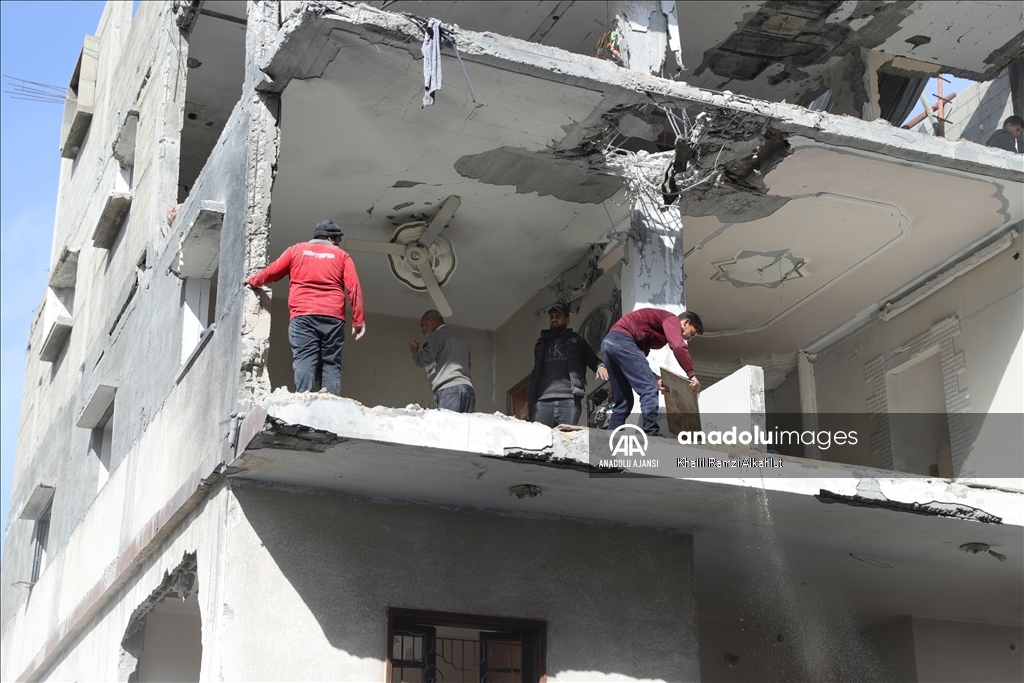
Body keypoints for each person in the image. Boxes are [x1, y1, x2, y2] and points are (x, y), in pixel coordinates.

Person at [245, 220, 365, 395]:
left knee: (304, 358)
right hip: (333, 316)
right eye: (338, 241)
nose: (338, 245)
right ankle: (332, 402)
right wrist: (359, 320)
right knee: (331, 361)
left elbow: (273, 271)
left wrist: (253, 281)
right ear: (330, 238)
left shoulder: (296, 250)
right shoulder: (342, 256)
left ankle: (304, 399)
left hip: (302, 315)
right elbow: (354, 287)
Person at [600, 308, 703, 437]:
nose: (689, 338)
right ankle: (651, 433)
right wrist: (691, 374)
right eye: (692, 333)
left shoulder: (649, 334)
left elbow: (639, 363)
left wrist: (655, 378)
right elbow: (678, 346)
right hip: (622, 341)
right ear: (685, 322)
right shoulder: (672, 319)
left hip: (609, 344)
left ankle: (610, 438)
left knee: (624, 401)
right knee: (649, 389)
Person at [524, 303, 609, 427]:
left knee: (566, 439)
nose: (554, 320)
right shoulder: (541, 344)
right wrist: (526, 403)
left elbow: (592, 359)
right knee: (540, 439)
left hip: (569, 400)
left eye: (558, 316)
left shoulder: (577, 341)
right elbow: (535, 374)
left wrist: (600, 366)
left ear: (567, 320)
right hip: (543, 401)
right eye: (552, 317)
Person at [410, 310, 475, 413]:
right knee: (464, 428)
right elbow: (468, 365)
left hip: (449, 390)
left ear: (431, 321)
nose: (422, 330)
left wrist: (414, 351)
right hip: (468, 390)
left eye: (422, 325)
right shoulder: (460, 339)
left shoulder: (435, 336)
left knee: (448, 428)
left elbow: (423, 359)